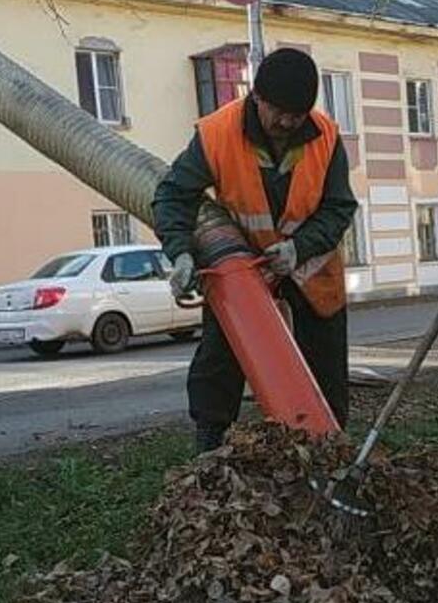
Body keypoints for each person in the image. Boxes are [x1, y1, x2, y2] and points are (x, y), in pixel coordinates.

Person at [152, 48, 356, 454]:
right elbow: (173, 197)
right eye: (279, 111)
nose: (287, 122)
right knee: (219, 357)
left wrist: (299, 248)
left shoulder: (326, 137)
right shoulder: (217, 134)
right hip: (242, 269)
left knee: (326, 367)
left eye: (297, 115)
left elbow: (339, 208)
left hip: (311, 271)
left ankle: (330, 447)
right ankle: (210, 444)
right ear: (257, 98)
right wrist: (181, 252)